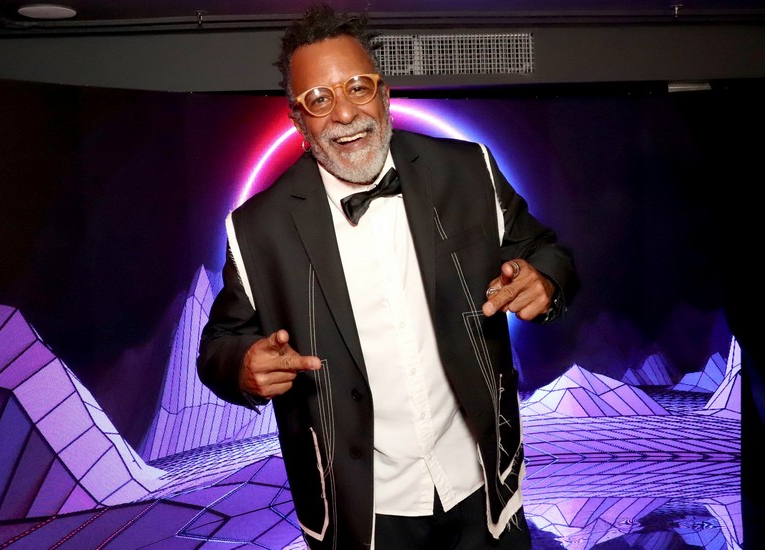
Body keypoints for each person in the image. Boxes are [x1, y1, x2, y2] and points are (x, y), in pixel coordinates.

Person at [197, 4, 579, 549]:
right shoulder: (258, 228)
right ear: (298, 120)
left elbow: (546, 252)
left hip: (482, 490)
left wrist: (544, 281)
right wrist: (243, 367)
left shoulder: (468, 169)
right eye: (319, 99)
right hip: (362, 515)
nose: (344, 113)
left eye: (357, 87)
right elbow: (219, 345)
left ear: (385, 93)